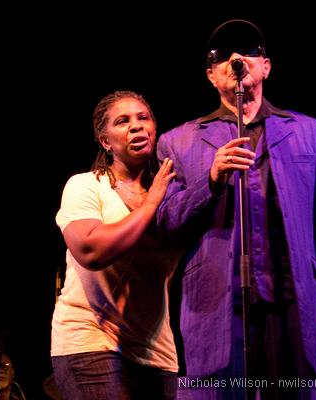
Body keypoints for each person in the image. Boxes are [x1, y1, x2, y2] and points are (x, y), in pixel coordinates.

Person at [156, 19, 316, 399]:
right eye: (223, 56)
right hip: (216, 303)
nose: (236, 59)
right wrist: (209, 179)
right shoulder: (177, 141)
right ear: (211, 76)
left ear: (266, 67)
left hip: (292, 301)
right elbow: (166, 223)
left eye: (248, 52)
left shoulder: (312, 133)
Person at [51, 90, 182, 399]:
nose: (136, 126)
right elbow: (90, 251)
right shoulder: (86, 185)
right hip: (91, 340)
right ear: (105, 141)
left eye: (143, 118)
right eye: (122, 121)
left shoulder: (173, 193)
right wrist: (150, 204)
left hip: (157, 353)